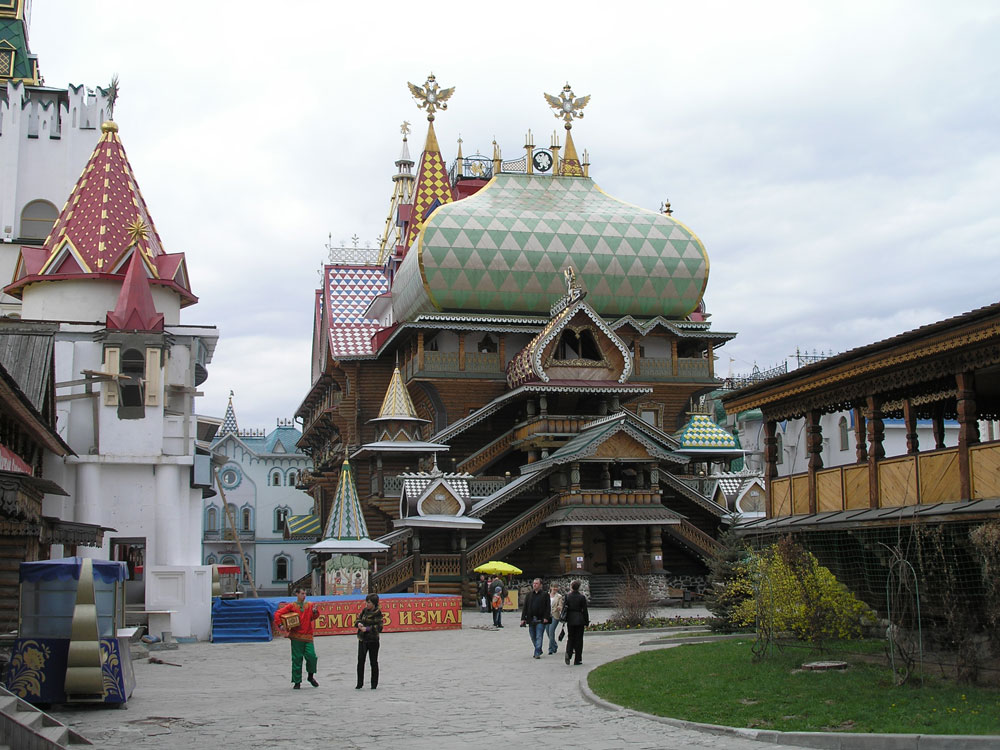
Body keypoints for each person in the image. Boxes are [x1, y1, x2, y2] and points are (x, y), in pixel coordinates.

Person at [273, 587, 321, 689]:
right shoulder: (292, 606)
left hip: (308, 636)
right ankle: (297, 681)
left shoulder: (310, 605)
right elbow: (278, 613)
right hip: (296, 637)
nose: (304, 596)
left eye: (305, 594)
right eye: (302, 593)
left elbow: (313, 617)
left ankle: (310, 676)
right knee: (297, 659)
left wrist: (315, 612)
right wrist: (280, 625)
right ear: (297, 594)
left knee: (312, 657)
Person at [355, 592, 384, 689]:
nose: (367, 604)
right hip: (362, 639)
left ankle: (374, 684)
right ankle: (359, 683)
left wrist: (367, 629)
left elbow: (379, 627)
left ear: (374, 603)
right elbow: (358, 619)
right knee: (360, 661)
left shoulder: (378, 613)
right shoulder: (364, 611)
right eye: (366, 602)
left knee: (373, 662)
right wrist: (359, 624)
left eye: (369, 602)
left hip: (373, 641)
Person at [519, 578, 551, 659]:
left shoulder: (545, 595)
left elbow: (548, 607)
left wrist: (546, 617)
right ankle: (538, 649)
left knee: (539, 636)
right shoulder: (529, 595)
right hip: (531, 619)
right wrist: (523, 618)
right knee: (533, 636)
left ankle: (537, 652)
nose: (534, 585)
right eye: (534, 583)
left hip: (540, 619)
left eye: (536, 583)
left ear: (540, 585)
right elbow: (525, 607)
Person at [563, 579, 590, 666]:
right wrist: (586, 621)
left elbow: (564, 608)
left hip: (570, 619)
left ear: (571, 587)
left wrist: (564, 619)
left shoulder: (567, 597)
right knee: (579, 639)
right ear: (579, 587)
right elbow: (585, 610)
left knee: (570, 637)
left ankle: (569, 652)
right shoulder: (582, 597)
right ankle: (577, 659)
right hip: (579, 619)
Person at [545, 582, 565, 655]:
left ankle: (551, 649)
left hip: (555, 615)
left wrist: (559, 607)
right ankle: (554, 645)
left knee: (551, 631)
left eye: (556, 587)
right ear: (551, 587)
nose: (555, 589)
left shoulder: (559, 596)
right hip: (547, 616)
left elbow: (561, 605)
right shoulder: (546, 595)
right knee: (548, 632)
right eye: (553, 587)